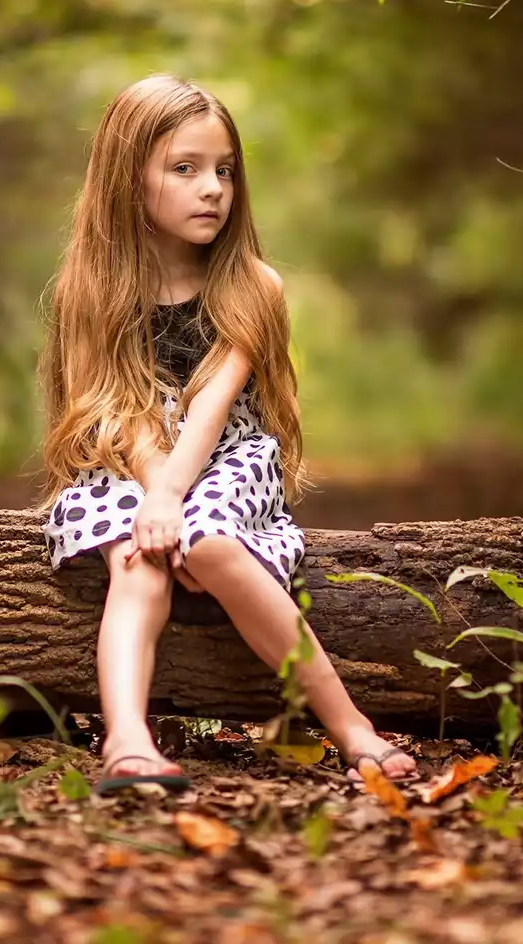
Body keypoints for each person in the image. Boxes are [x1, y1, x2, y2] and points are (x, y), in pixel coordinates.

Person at [34, 73, 419, 794]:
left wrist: (174, 499)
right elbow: (118, 407)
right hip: (127, 455)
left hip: (227, 455)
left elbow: (213, 406)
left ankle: (351, 727)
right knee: (135, 562)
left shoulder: (253, 286)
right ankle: (126, 741)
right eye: (184, 169)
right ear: (128, 179)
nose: (212, 188)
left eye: (223, 171)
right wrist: (154, 498)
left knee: (208, 542)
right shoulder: (88, 289)